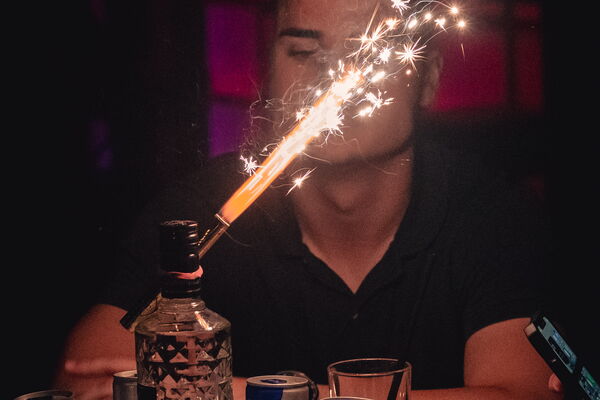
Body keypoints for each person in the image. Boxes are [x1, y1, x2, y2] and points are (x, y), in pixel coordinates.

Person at [53, 0, 563, 399]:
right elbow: (88, 378)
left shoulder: (490, 214)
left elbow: (524, 394)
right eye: (302, 52)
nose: (331, 77)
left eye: (364, 54)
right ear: (270, 70)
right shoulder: (202, 208)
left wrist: (245, 394)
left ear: (427, 79)